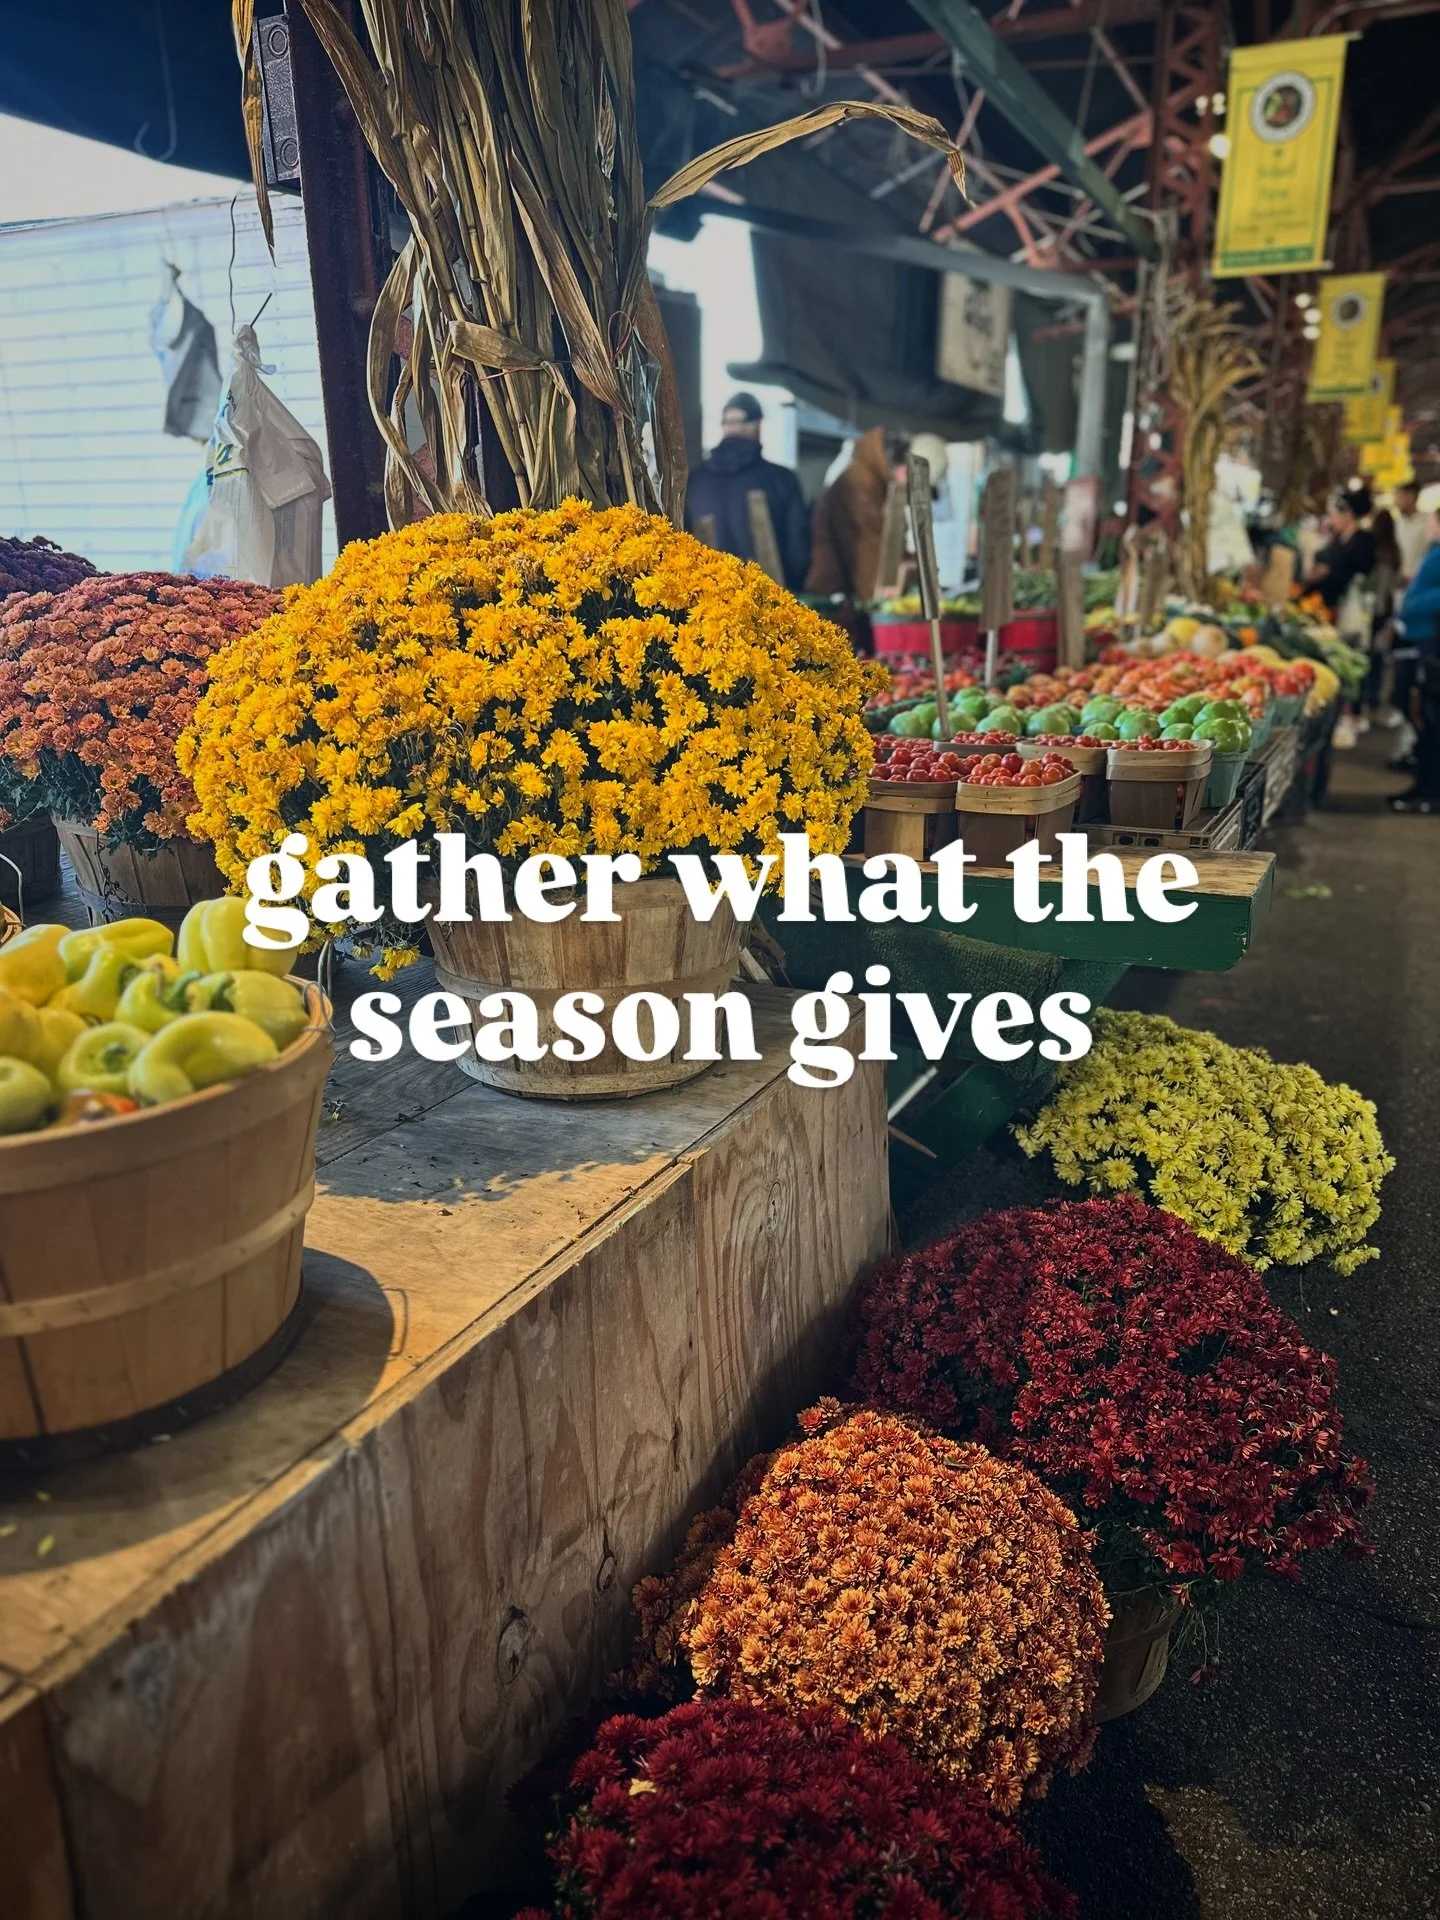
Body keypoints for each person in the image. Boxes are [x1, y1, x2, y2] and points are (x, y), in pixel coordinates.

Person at [684, 392, 811, 590]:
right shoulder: (781, 480)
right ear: (757, 424)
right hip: (767, 600)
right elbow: (798, 551)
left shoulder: (695, 481)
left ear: (725, 426)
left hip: (707, 600)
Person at [806, 426, 908, 601]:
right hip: (835, 591)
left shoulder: (872, 478)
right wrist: (876, 601)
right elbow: (865, 546)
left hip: (842, 588)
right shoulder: (861, 483)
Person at [1390, 485, 1440, 814]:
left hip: (1431, 642)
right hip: (1420, 638)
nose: (1429, 525)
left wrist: (1412, 606)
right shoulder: (1434, 550)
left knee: (1430, 718)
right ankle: (1423, 784)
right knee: (1419, 709)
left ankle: (1430, 791)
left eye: (1434, 521)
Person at [1394, 480, 1430, 586]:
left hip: (1421, 581)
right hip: (1401, 582)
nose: (1396, 502)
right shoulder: (1398, 524)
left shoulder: (1427, 523)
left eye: (1399, 498)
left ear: (1411, 498)